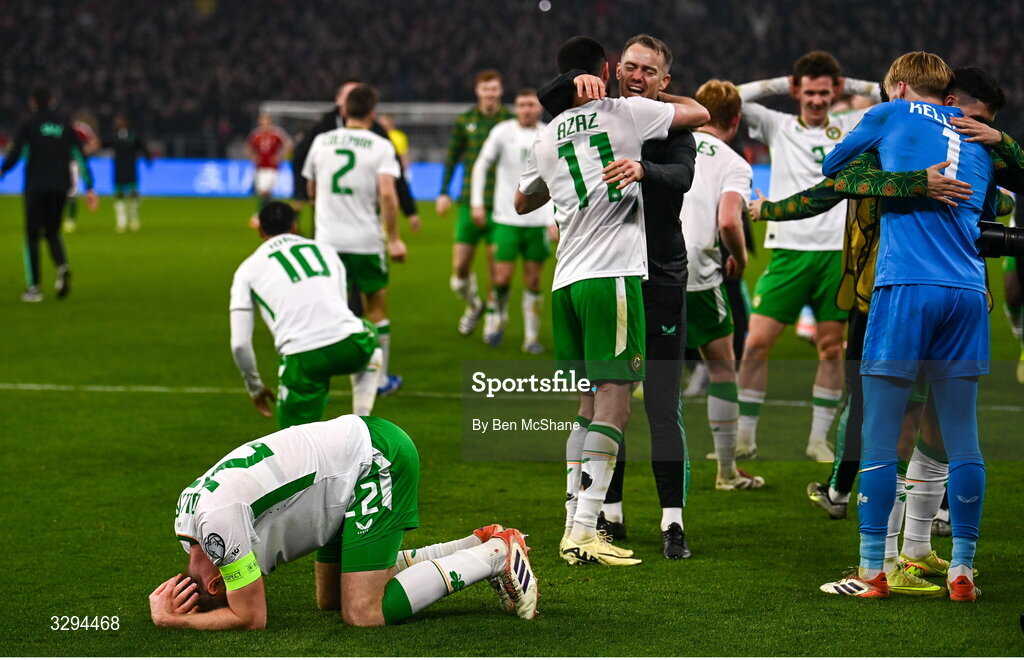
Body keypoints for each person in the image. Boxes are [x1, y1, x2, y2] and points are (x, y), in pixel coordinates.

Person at [515, 36, 708, 566]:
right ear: (609, 69)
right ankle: (597, 519)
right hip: (615, 276)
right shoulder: (626, 114)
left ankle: (669, 520)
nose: (637, 75)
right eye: (628, 67)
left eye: (649, 70)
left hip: (649, 274)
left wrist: (642, 170)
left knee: (652, 406)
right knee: (612, 404)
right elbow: (704, 110)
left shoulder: (564, 129)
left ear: (665, 79)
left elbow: (685, 175)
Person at [818, 52, 995, 601]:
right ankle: (962, 572)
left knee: (881, 436)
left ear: (897, 86)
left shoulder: (890, 113)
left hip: (905, 290)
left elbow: (835, 168)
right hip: (968, 292)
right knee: (963, 439)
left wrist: (912, 181)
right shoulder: (980, 137)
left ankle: (874, 570)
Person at [150, 414, 538, 629]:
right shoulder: (189, 524)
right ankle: (470, 545)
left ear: (216, 580)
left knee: (363, 613)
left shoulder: (218, 531)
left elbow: (250, 617)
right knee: (331, 599)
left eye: (227, 588)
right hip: (336, 474)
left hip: (372, 459)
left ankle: (495, 555)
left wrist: (173, 621)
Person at [735, 51, 881, 462]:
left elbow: (889, 95)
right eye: (809, 91)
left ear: (834, 91)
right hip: (788, 252)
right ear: (798, 91)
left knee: (831, 348)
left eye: (824, 92)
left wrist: (845, 84)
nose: (817, 100)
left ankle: (818, 439)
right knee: (757, 344)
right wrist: (786, 80)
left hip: (838, 254)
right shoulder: (777, 125)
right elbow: (732, 97)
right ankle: (745, 437)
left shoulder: (852, 123)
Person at [681, 80, 765, 492]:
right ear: (734, 121)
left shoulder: (666, 140)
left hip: (646, 268)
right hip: (697, 273)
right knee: (721, 368)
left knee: (632, 379)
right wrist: (741, 257)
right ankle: (727, 472)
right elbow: (730, 221)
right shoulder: (733, 162)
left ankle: (604, 498)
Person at [230, 202, 383, 429]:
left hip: (302, 357)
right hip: (349, 343)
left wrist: (256, 388)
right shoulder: (327, 250)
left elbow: (240, 344)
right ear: (295, 226)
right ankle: (361, 425)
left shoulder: (247, 269)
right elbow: (341, 306)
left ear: (260, 230)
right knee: (372, 343)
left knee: (295, 446)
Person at [301, 84, 406, 397]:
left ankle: (325, 371)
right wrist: (396, 239)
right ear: (373, 114)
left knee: (332, 307)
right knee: (376, 307)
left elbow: (311, 192)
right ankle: (381, 378)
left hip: (327, 241)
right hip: (365, 241)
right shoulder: (380, 145)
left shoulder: (321, 142)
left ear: (343, 110)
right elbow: (388, 194)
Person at [471, 88, 555, 353]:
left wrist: (554, 218)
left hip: (538, 221)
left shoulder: (549, 133)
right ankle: (498, 319)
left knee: (533, 280)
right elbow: (481, 165)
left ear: (539, 108)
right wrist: (476, 202)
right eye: (521, 105)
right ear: (516, 108)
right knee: (502, 277)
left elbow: (557, 177)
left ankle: (531, 337)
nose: (526, 109)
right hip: (506, 218)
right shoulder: (502, 132)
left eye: (530, 105)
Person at [0, 87, 98, 302]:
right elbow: (79, 155)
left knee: (32, 236)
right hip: (60, 186)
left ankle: (34, 288)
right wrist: (90, 186)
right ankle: (62, 266)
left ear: (33, 103)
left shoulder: (29, 124)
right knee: (53, 232)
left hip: (35, 186)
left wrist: (3, 170)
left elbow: (16, 152)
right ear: (52, 101)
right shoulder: (64, 125)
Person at [438, 70, 515, 336]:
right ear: (478, 92)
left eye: (494, 89)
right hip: (470, 202)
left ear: (501, 91)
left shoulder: (511, 122)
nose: (490, 94)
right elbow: (452, 157)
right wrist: (443, 191)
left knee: (497, 269)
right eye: (486, 89)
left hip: (501, 205)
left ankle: (495, 317)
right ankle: (474, 305)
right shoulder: (465, 121)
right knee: (459, 269)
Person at [106, 113, 153, 233]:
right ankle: (121, 220)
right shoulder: (114, 136)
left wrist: (148, 158)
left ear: (125, 123)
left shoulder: (133, 136)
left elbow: (142, 147)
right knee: (119, 194)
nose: (117, 123)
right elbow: (104, 144)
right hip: (118, 170)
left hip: (131, 169)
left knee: (134, 193)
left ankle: (133, 217)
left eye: (119, 121)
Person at [246, 113, 293, 211]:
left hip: (272, 167)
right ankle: (270, 212)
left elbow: (289, 145)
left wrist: (280, 156)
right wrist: (253, 157)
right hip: (259, 167)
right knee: (263, 192)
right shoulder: (256, 133)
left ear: (270, 121)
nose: (264, 124)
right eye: (262, 121)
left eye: (266, 121)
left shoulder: (277, 133)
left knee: (265, 191)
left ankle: (260, 214)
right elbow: (248, 147)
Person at [62, 116, 99, 233]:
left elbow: (94, 141)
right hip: (58, 161)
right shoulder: (59, 128)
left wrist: (84, 152)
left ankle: (70, 219)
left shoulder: (80, 129)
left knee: (71, 190)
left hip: (73, 162)